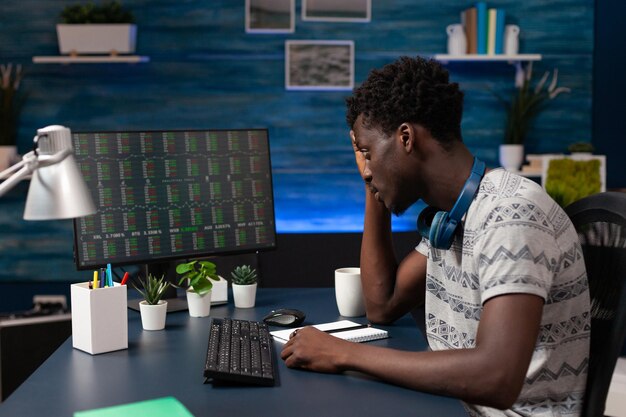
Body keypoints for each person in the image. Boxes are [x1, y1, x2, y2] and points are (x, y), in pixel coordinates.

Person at [280, 56, 591, 416]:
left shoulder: (510, 214)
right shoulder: (454, 216)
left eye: (367, 153)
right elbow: (382, 304)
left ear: (406, 137)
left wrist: (343, 353)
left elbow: (497, 378)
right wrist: (373, 180)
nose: (364, 169)